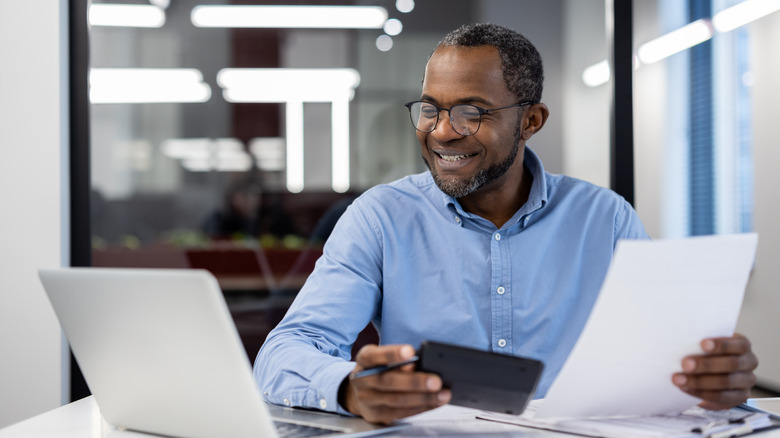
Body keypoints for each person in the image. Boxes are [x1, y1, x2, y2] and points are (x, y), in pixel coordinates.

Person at [254, 23, 758, 424]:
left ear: (531, 122)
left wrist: (713, 379)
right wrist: (350, 388)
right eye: (430, 109)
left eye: (471, 112)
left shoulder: (603, 219)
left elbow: (665, 360)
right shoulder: (381, 218)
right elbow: (284, 353)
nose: (443, 132)